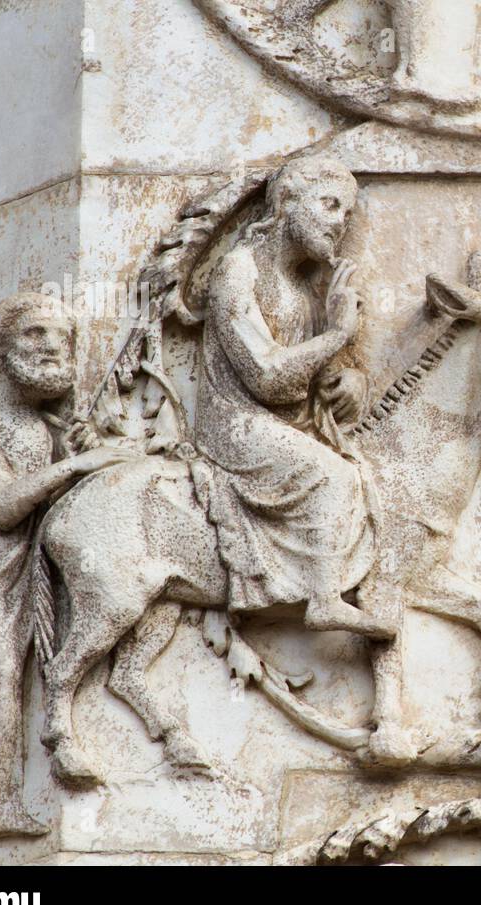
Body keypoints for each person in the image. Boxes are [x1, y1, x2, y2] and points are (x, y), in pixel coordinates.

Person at [0, 293, 132, 837]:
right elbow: (3, 505)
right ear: (0, 351)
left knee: (22, 673)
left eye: (62, 338)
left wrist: (84, 452)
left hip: (34, 572)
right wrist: (76, 464)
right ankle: (1, 808)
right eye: (35, 334)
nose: (52, 346)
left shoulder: (50, 428)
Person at [195, 153, 391, 638]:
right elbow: (266, 377)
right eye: (329, 205)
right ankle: (324, 599)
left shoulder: (300, 291)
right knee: (333, 476)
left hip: (283, 423)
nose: (339, 223)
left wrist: (348, 380)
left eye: (346, 213)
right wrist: (339, 334)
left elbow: (305, 380)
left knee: (362, 474)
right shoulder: (238, 270)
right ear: (286, 201)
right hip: (233, 425)